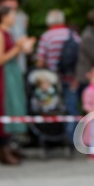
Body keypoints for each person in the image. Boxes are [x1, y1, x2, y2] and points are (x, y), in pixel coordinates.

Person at [0, 5, 36, 165]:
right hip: (3, 76)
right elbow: (0, 59)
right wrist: (18, 48)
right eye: (12, 15)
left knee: (13, 107)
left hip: (11, 74)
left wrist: (23, 47)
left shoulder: (8, 33)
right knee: (3, 108)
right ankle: (3, 149)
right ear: (3, 17)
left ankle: (9, 146)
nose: (14, 18)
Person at [35, 9, 81, 141]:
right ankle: (73, 139)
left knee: (54, 108)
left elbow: (40, 62)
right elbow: (81, 57)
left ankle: (56, 137)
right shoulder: (73, 35)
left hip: (52, 81)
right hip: (71, 78)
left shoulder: (46, 36)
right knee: (71, 108)